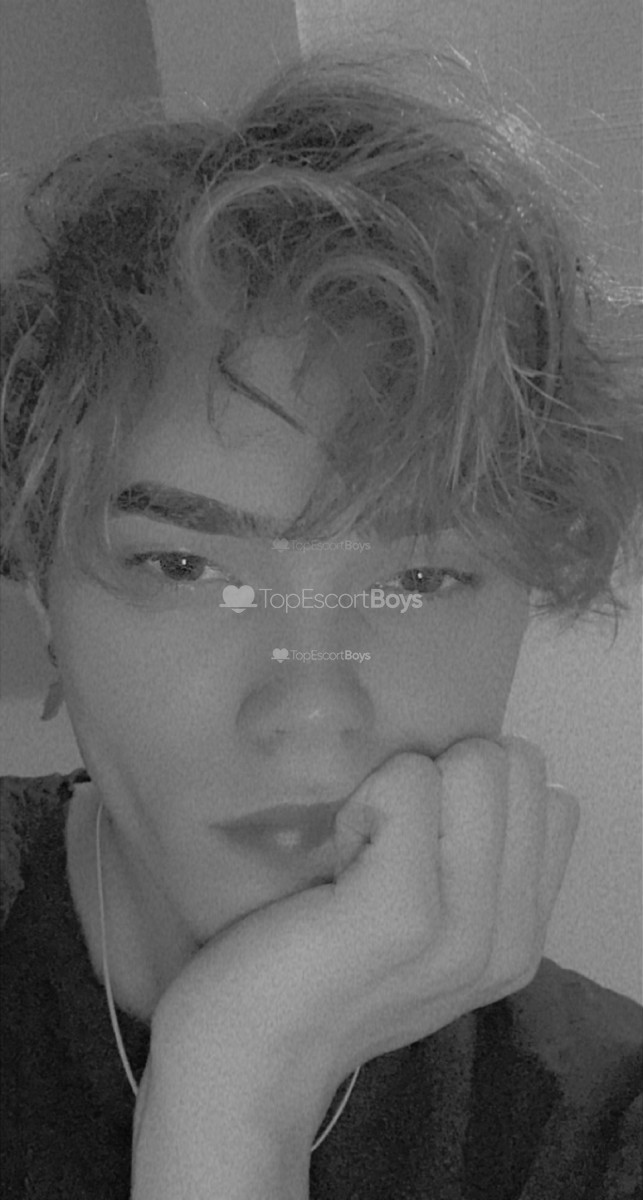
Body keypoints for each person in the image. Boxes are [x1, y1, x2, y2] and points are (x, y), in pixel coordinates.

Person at [1, 48, 641, 1200]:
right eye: (185, 565)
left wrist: (238, 1089)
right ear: (44, 590)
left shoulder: (598, 1133)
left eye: (416, 579)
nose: (308, 712)